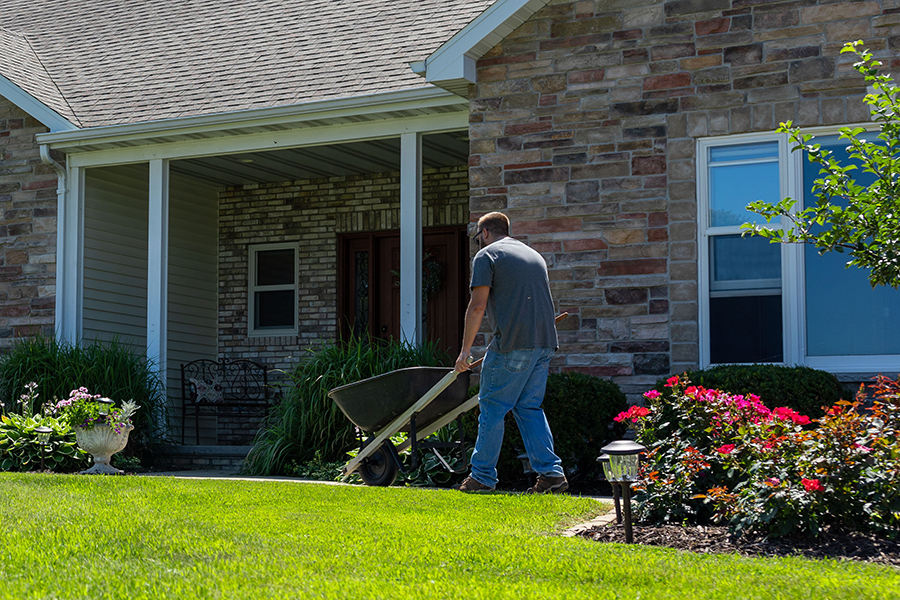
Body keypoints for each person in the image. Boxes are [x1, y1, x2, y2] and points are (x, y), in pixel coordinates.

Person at [453, 211, 567, 494]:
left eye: (478, 236)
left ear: (486, 233)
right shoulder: (532, 255)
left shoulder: (487, 256)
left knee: (492, 407)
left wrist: (464, 352)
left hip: (514, 344)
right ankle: (551, 474)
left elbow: (477, 307)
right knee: (529, 407)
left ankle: (481, 477)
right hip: (544, 343)